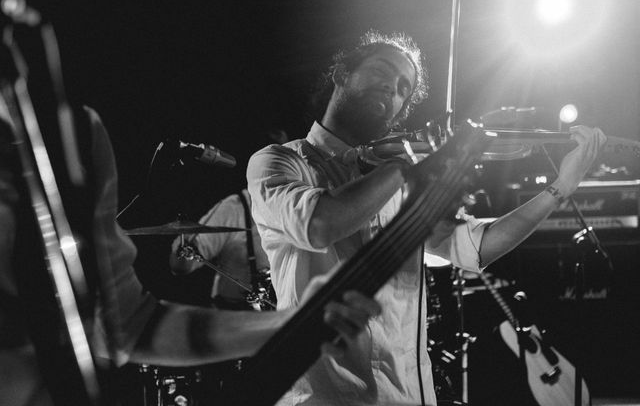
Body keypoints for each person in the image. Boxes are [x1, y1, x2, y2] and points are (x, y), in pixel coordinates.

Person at [246, 30, 606, 405]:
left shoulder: (399, 180)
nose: (393, 89)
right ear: (341, 74)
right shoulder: (281, 161)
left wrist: (560, 188)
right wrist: (409, 165)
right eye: (383, 72)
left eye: (404, 88)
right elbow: (319, 225)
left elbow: (474, 249)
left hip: (408, 395)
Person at [0, 97, 381, 406]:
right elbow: (181, 264)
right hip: (228, 312)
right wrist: (186, 249)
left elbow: (131, 324)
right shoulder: (236, 205)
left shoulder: (70, 134)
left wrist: (296, 322)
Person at [169, 129, 288, 311]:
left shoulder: (300, 203)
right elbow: (180, 266)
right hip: (237, 317)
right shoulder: (234, 209)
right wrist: (186, 246)